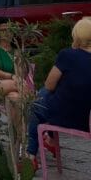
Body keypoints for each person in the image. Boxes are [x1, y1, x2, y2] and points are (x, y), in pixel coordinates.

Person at [26, 16, 91, 165]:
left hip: (63, 116)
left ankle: (31, 156)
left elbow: (49, 85)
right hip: (86, 121)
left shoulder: (67, 55)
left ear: (77, 35)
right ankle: (50, 139)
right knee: (44, 98)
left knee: (38, 103)